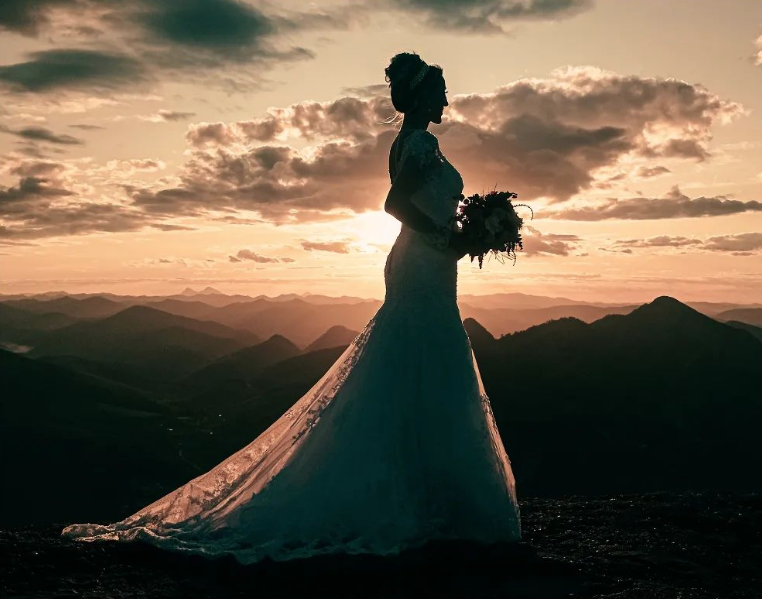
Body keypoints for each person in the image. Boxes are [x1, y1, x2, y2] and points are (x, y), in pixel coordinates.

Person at [61, 52, 522, 565]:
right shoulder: (419, 142)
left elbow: (417, 204)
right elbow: (393, 205)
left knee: (425, 367)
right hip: (421, 261)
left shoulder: (409, 143)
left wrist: (466, 233)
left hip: (429, 263)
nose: (446, 100)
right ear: (420, 97)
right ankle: (425, 505)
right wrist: (446, 233)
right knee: (418, 362)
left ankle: (428, 500)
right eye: (440, 91)